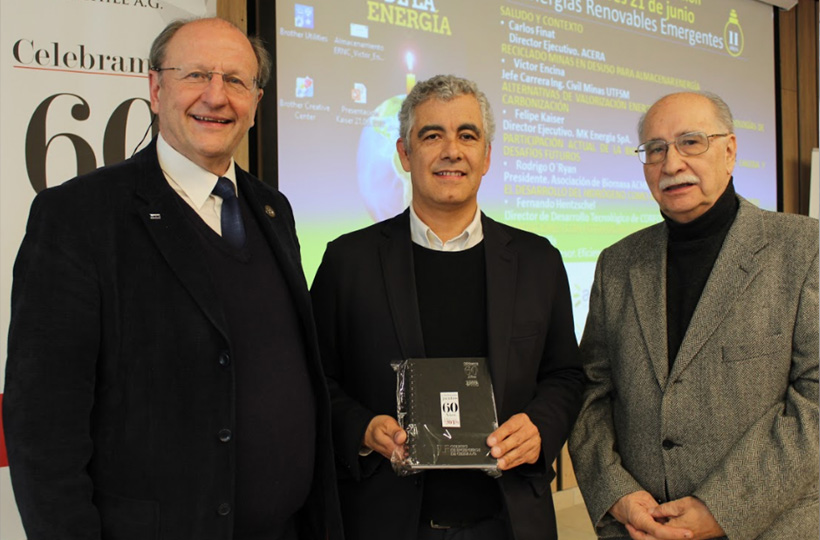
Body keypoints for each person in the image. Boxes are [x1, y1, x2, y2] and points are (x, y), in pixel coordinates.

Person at [4, 18, 341, 540]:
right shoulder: (78, 217)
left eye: (236, 80)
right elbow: (42, 427)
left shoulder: (274, 209)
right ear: (156, 89)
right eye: (196, 75)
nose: (216, 96)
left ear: (256, 102)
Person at [310, 74, 584, 540]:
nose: (452, 151)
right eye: (432, 135)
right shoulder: (348, 262)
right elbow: (316, 379)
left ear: (486, 156)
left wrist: (539, 426)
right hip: (386, 521)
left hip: (509, 522)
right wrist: (362, 428)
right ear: (405, 154)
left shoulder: (538, 261)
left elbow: (565, 375)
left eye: (467, 135)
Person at [569, 91, 819, 540]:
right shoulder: (617, 263)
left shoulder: (803, 248)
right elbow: (592, 392)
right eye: (655, 149)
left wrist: (721, 508)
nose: (671, 163)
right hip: (641, 529)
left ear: (730, 151)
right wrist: (617, 494)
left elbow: (815, 401)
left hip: (769, 527)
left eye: (691, 142)